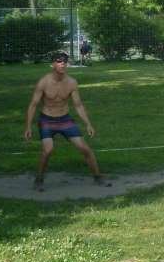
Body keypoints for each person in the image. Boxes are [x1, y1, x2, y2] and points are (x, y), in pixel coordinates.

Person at [23, 51, 110, 191]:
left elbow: (78, 105)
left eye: (64, 61)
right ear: (52, 64)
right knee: (48, 150)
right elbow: (33, 104)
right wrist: (27, 127)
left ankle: (98, 177)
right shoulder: (44, 82)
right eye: (58, 61)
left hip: (65, 119)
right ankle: (39, 179)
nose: (62, 63)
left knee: (85, 149)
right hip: (47, 120)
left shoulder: (72, 82)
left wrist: (88, 124)